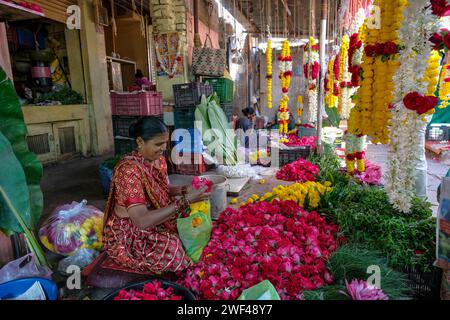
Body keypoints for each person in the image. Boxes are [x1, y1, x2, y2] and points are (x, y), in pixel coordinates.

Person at [102, 116, 209, 275]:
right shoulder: (129, 171)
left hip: (153, 213)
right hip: (132, 229)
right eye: (158, 144)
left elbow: (161, 189)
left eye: (165, 143)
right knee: (173, 250)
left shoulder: (159, 160)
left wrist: (182, 190)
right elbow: (141, 221)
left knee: (191, 224)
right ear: (140, 142)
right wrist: (185, 201)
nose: (163, 149)